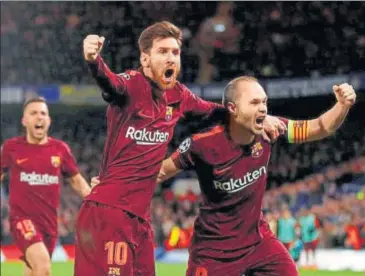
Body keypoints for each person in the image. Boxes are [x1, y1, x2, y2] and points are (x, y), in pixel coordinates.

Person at [77, 21, 284, 276]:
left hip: (140, 219)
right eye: (162, 51)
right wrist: (93, 59)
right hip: (111, 212)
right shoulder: (131, 84)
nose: (171, 58)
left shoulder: (179, 96)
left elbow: (217, 112)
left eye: (175, 52)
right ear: (145, 58)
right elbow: (109, 82)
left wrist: (259, 118)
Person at [156, 77, 356, 275]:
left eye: (264, 102)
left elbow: (319, 127)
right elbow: (160, 172)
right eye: (254, 102)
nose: (263, 108)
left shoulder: (270, 129)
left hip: (258, 243)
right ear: (233, 109)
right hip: (213, 251)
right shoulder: (202, 145)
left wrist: (342, 105)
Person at [0, 97, 91, 276]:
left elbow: (77, 181)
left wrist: (98, 202)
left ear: (49, 120)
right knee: (43, 267)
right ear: (24, 121)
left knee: (33, 271)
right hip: (22, 220)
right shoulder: (12, 148)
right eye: (33, 113)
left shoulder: (60, 149)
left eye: (43, 113)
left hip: (49, 224)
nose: (39, 117)